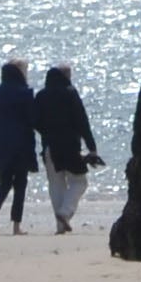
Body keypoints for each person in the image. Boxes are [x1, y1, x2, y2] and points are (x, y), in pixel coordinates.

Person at [29, 61, 105, 235]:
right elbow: (82, 121)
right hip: (70, 146)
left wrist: (46, 132)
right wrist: (91, 147)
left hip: (49, 146)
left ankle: (60, 225)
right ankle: (65, 212)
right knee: (79, 182)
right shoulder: (70, 93)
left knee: (56, 184)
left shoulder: (41, 95)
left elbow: (34, 121)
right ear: (66, 76)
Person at [0, 57, 37, 232]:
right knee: (20, 184)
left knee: (4, 182)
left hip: (1, 144)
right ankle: (16, 225)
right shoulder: (25, 94)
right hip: (21, 144)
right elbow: (31, 120)